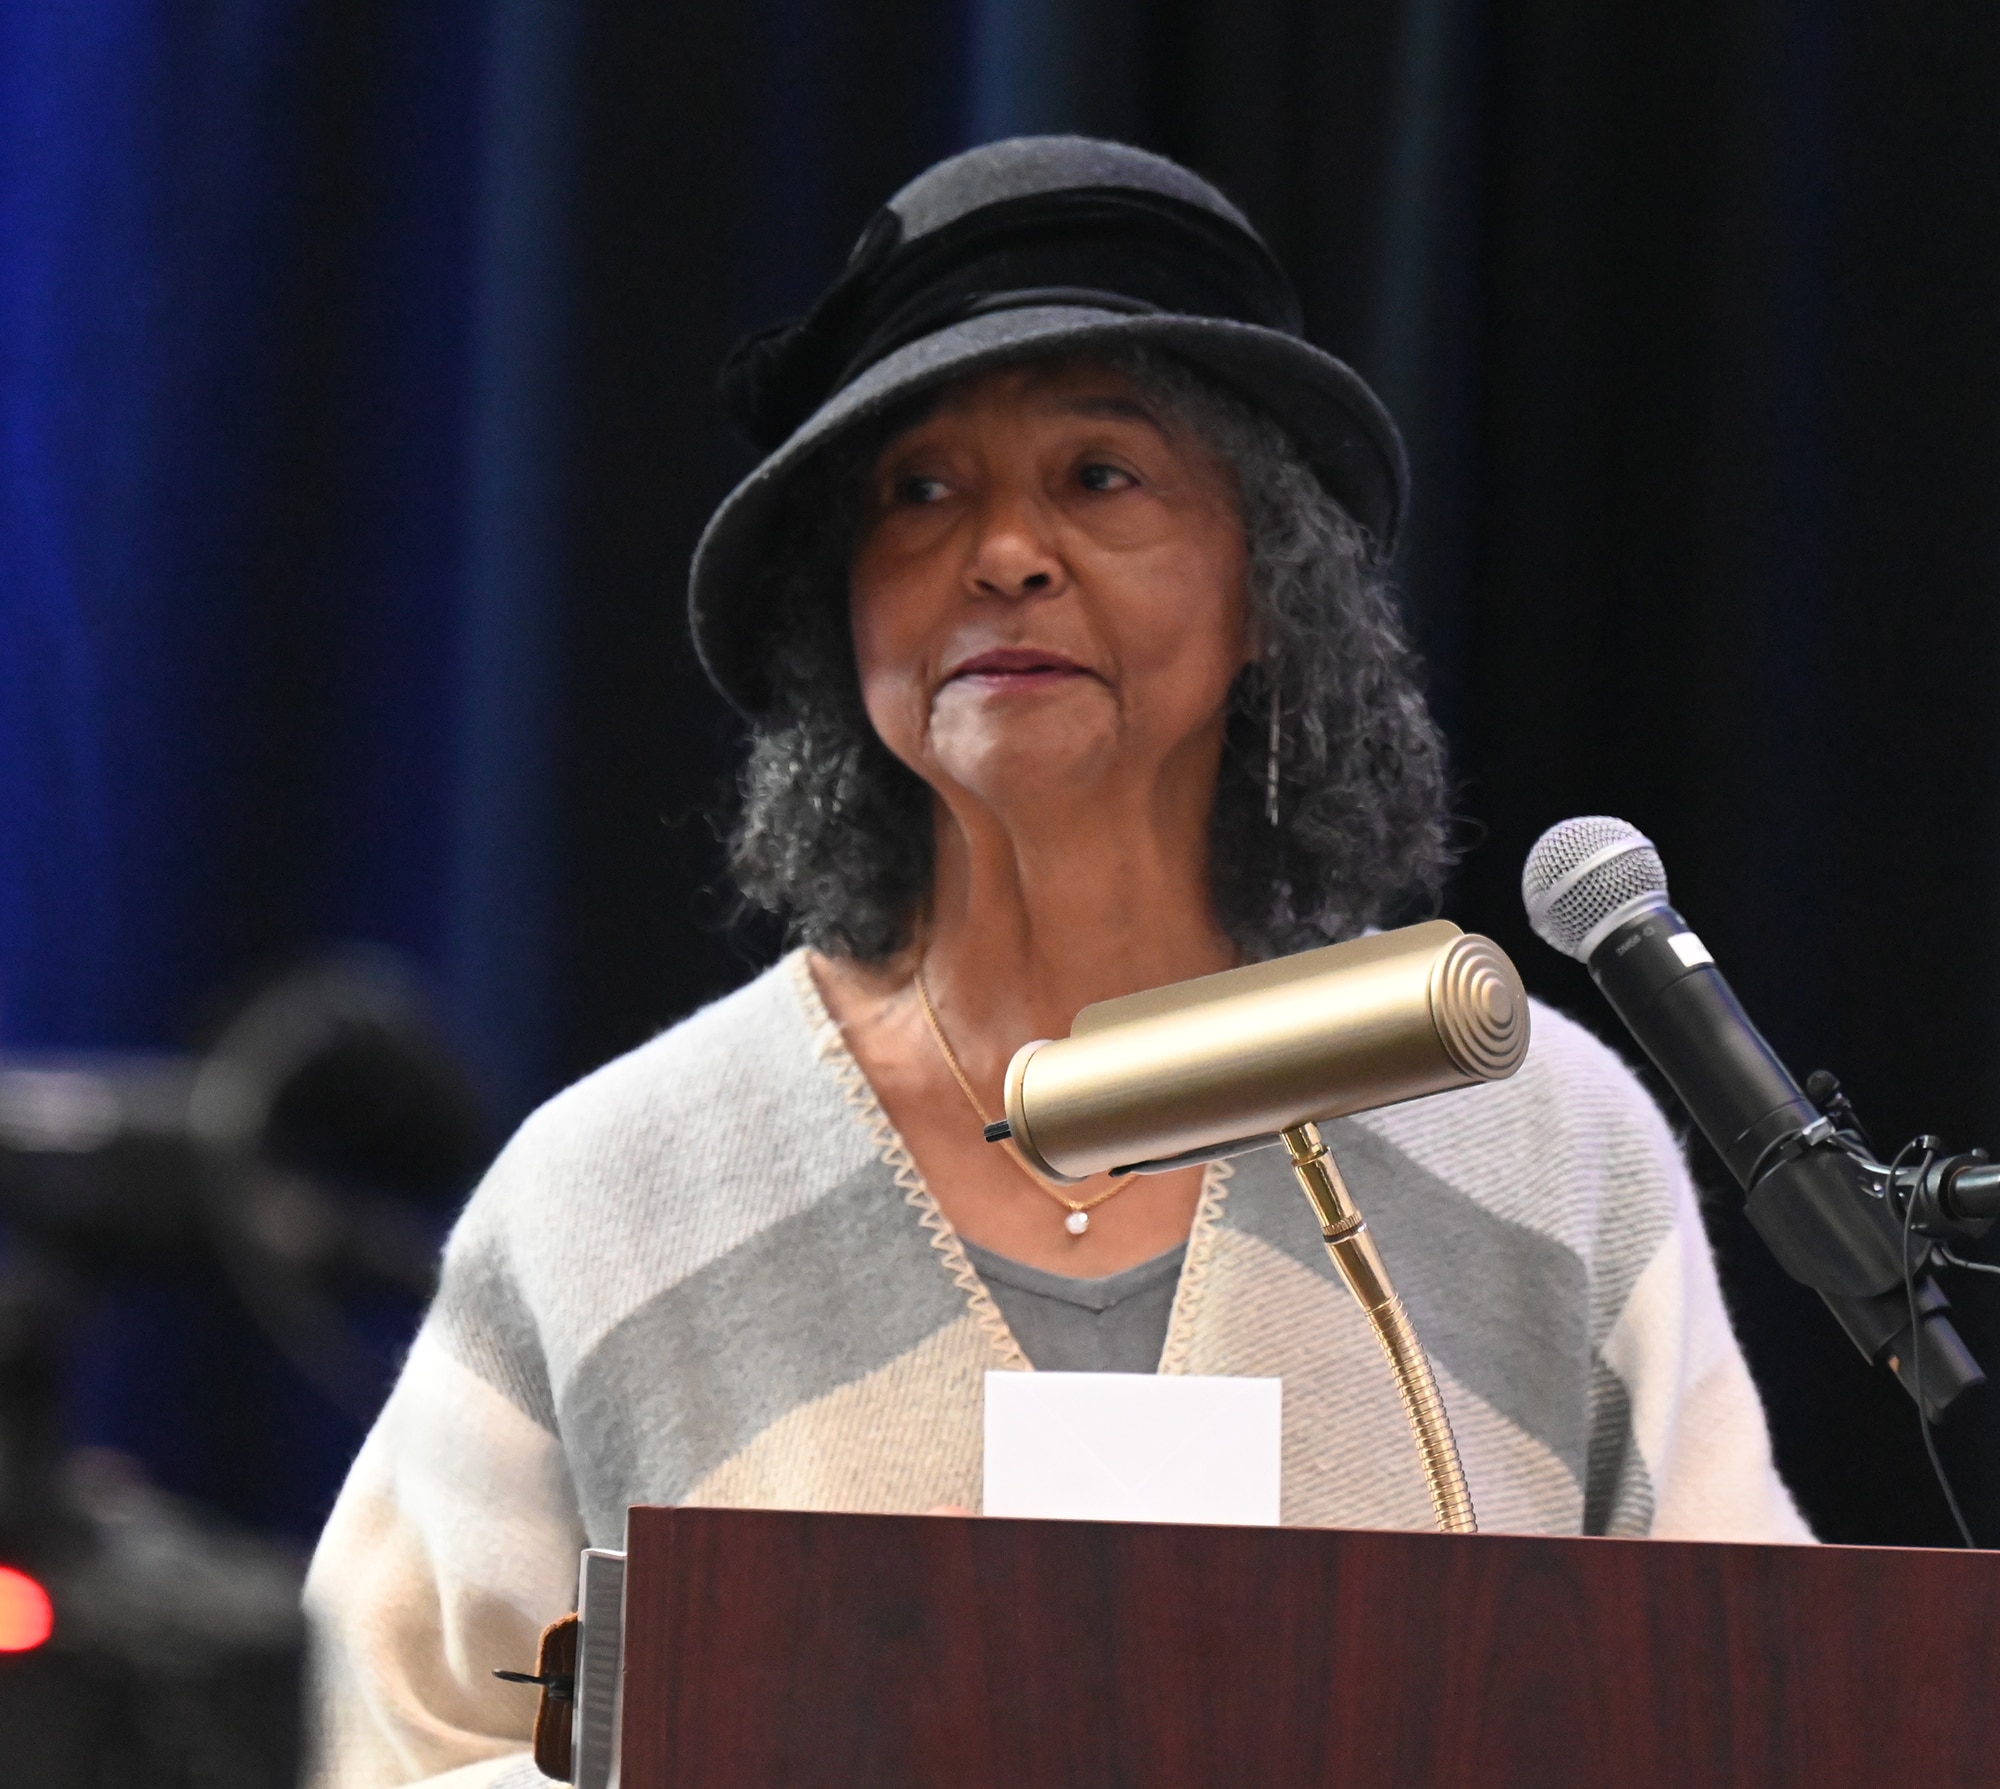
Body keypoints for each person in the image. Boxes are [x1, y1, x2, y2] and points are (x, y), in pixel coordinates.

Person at [304, 136, 1808, 1789]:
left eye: (1102, 474)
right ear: (843, 611)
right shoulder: (612, 1192)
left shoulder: (1538, 1142)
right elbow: (372, 1745)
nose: (1003, 550)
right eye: (922, 490)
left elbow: (1758, 1714)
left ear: (1269, 585)